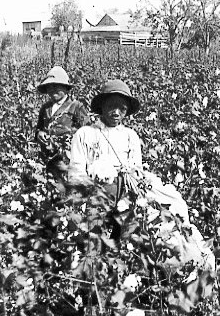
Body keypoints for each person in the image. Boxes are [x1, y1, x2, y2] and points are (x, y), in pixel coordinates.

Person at [67, 79, 191, 223]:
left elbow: (136, 169)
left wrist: (129, 180)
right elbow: (76, 172)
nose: (116, 113)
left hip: (127, 195)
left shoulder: (130, 135)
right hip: (96, 197)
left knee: (174, 206)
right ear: (102, 106)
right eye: (111, 106)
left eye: (122, 109)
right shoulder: (85, 134)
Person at [34, 66, 89, 182]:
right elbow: (38, 129)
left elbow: (87, 134)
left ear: (65, 88)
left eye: (56, 86)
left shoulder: (76, 106)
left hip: (67, 159)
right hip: (46, 157)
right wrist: (39, 134)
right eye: (49, 87)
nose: (52, 89)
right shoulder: (45, 108)